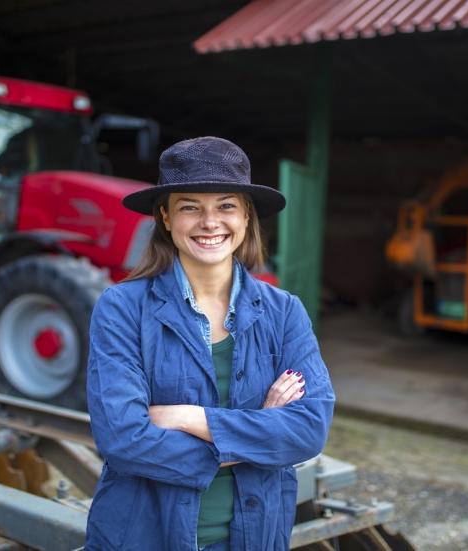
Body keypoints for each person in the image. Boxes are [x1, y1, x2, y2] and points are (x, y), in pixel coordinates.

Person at [84, 136, 335, 551]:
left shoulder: (284, 312)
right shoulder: (122, 308)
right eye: (190, 207)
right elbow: (123, 440)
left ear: (246, 215)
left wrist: (188, 417)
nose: (209, 221)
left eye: (225, 205)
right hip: (145, 538)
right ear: (165, 217)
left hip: (255, 537)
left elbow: (309, 430)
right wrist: (259, 433)